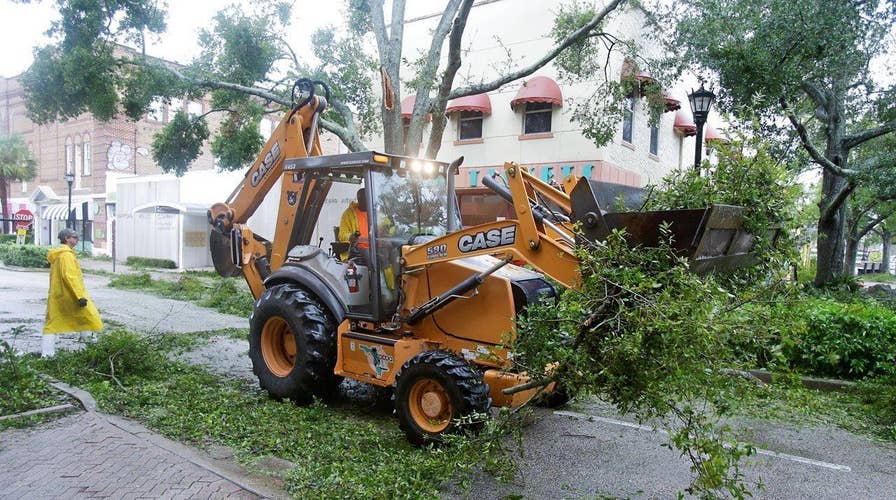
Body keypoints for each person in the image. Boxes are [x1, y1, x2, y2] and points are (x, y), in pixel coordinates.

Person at [42, 227, 103, 357]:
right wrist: (80, 296)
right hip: (71, 295)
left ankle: (47, 355)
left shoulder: (59, 254)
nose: (77, 239)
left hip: (58, 295)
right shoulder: (66, 255)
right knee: (87, 317)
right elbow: (70, 276)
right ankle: (94, 350)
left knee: (52, 324)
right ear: (67, 239)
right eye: (74, 237)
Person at [338, 188, 370, 262]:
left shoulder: (375, 213)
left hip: (376, 247)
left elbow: (384, 226)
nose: (363, 201)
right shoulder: (348, 214)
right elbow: (342, 234)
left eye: (365, 198)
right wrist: (350, 236)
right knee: (371, 257)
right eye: (361, 199)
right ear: (358, 199)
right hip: (358, 248)